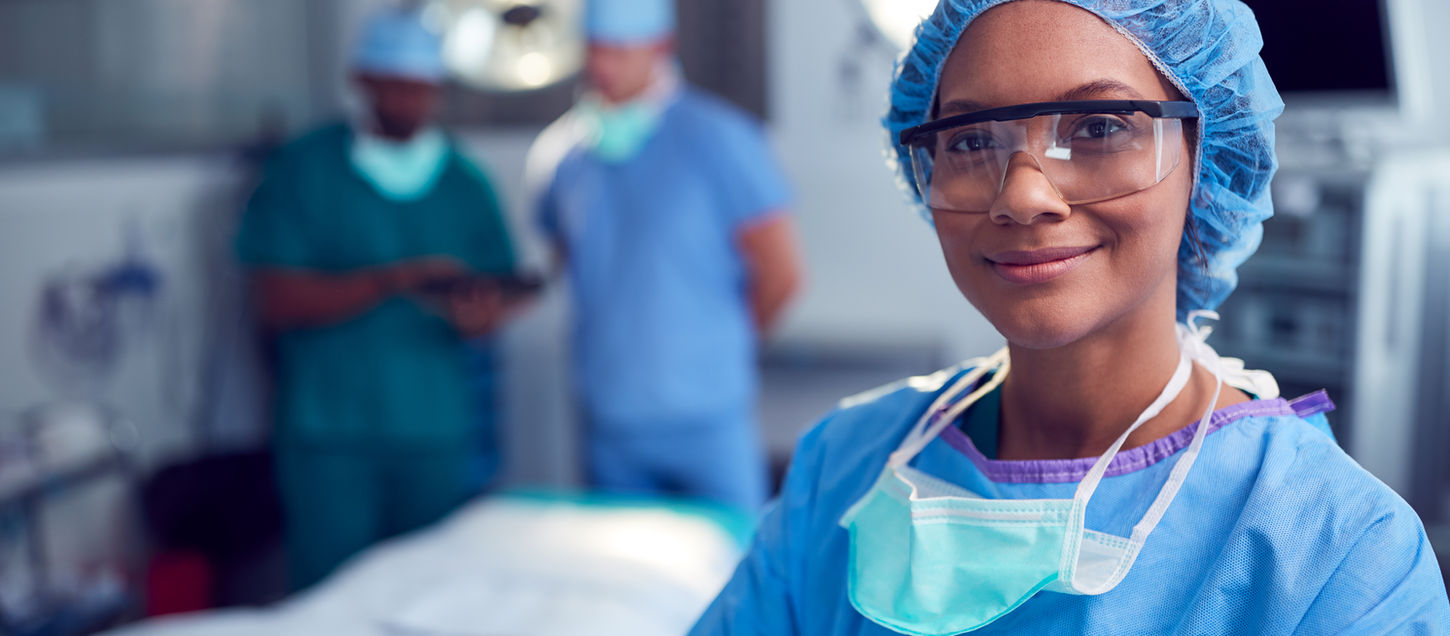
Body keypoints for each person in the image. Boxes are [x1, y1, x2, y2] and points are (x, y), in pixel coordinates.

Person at [690, 0, 1450, 633]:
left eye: (1098, 126)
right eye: (972, 139)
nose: (1022, 196)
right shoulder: (844, 467)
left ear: (1206, 155)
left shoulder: (1342, 555)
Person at [236, 6, 525, 589]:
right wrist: (394, 279)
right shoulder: (304, 170)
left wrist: (477, 315)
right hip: (330, 434)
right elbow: (275, 300)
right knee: (329, 598)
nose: (411, 102)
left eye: (423, 89)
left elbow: (498, 293)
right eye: (396, 86)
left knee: (427, 596)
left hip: (434, 431)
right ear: (363, 80)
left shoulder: (464, 183)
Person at [527, 0, 803, 513]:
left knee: (732, 553)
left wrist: (713, 345)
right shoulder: (562, 155)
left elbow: (782, 276)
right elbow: (567, 264)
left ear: (660, 46)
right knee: (616, 559)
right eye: (594, 50)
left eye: (620, 51)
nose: (603, 66)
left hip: (707, 418)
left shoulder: (721, 140)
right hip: (609, 419)